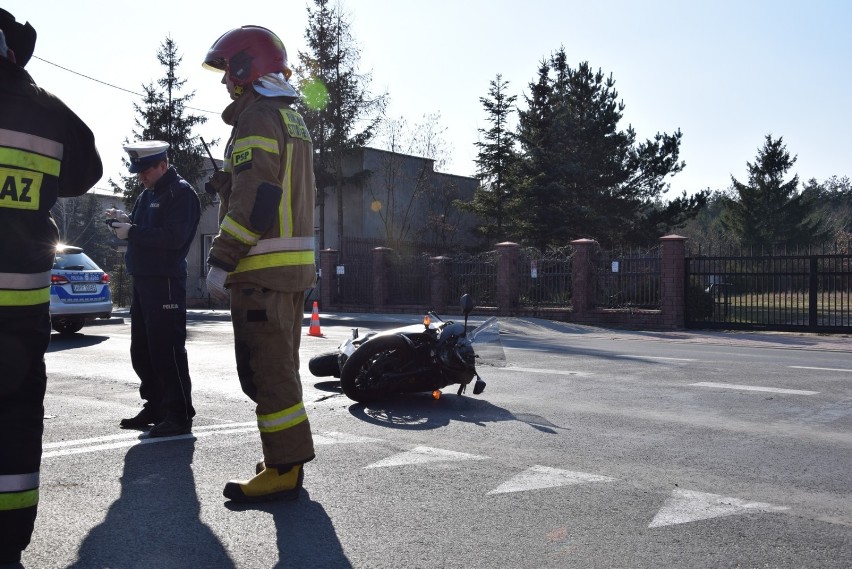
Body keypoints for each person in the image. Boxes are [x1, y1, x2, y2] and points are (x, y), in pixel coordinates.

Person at [0, 9, 103, 565]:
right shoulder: (49, 111)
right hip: (20, 309)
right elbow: (85, 172)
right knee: (14, 419)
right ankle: (9, 536)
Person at [202, 25, 317, 502]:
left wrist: (222, 258)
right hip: (290, 272)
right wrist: (227, 185)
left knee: (266, 372)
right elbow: (271, 190)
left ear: (246, 70)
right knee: (281, 368)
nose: (225, 82)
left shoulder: (256, 120)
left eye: (228, 72)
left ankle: (284, 469)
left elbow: (257, 198)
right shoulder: (291, 117)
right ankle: (282, 457)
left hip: (261, 271)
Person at [107, 140, 201, 438]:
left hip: (166, 282)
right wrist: (125, 222)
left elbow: (173, 237)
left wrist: (132, 231)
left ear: (163, 165)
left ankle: (179, 413)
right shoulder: (148, 193)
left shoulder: (181, 193)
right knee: (143, 350)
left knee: (167, 350)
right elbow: (143, 229)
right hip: (144, 280)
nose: (141, 176)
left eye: (145, 170)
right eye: (138, 171)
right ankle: (157, 406)